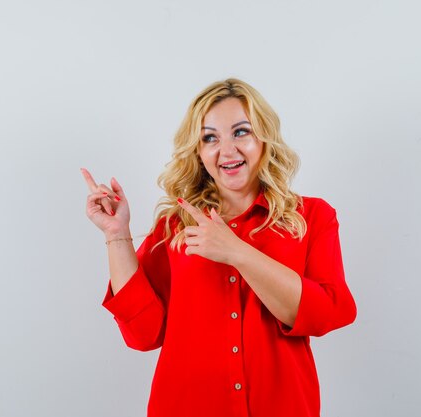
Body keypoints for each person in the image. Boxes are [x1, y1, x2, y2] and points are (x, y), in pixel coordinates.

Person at [81, 78, 357, 417]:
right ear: (198, 151)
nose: (227, 151)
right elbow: (142, 334)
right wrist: (116, 233)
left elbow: (326, 314)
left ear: (264, 138)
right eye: (210, 138)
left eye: (241, 132)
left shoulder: (312, 216)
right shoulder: (175, 227)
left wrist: (236, 251)